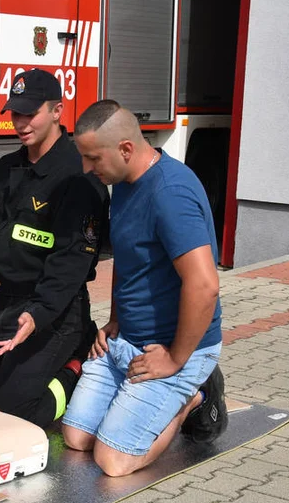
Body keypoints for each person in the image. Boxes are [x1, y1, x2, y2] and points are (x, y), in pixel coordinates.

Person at [64, 100, 226, 477]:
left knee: (113, 461)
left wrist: (174, 358)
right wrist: (114, 320)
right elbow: (129, 256)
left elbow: (204, 286)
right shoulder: (122, 182)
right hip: (128, 340)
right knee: (76, 438)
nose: (87, 169)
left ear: (125, 149)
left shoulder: (170, 193)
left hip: (172, 347)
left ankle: (193, 395)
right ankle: (155, 399)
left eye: (93, 159)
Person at [0, 70, 107, 426]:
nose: (21, 123)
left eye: (30, 113)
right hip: (5, 301)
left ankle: (77, 368)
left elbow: (71, 263)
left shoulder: (76, 175)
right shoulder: (7, 167)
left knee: (18, 412)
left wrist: (38, 315)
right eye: (16, 113)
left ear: (57, 111)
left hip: (55, 312)